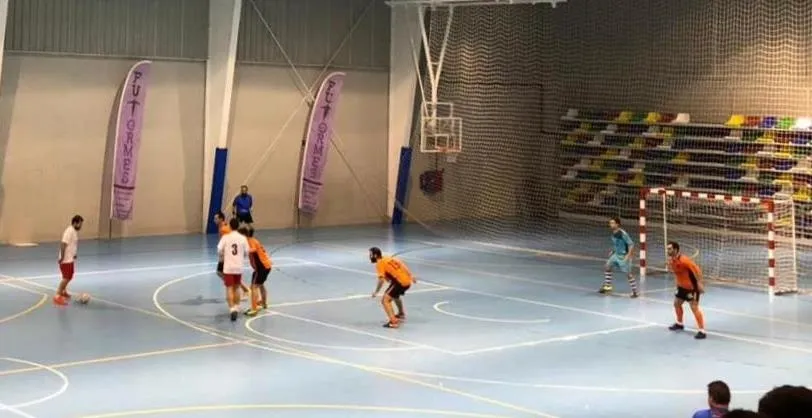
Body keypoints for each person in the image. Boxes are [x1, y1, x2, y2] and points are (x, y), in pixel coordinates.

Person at [666, 241, 707, 339]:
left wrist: (699, 284)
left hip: (692, 288)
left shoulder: (685, 260)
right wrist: (677, 285)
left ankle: (702, 331)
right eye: (667, 249)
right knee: (677, 304)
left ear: (675, 249)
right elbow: (679, 274)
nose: (668, 250)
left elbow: (697, 271)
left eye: (670, 249)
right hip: (681, 288)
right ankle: (679, 324)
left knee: (694, 308)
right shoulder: (672, 261)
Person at [369, 247, 414, 328]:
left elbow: (381, 280)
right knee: (395, 295)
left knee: (385, 300)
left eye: (371, 254)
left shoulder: (379, 263)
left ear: (375, 255)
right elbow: (402, 264)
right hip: (407, 281)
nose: (370, 256)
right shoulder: (388, 258)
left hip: (399, 282)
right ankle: (401, 314)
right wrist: (411, 275)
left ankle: (393, 322)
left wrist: (376, 292)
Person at [217, 218, 250, 321]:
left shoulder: (226, 238)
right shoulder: (242, 238)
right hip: (238, 266)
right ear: (238, 226)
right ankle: (236, 306)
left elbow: (219, 250)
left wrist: (223, 256)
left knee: (229, 288)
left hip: (228, 267)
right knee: (236, 288)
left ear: (230, 226)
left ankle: (231, 309)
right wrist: (242, 256)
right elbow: (247, 252)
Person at [599, 217, 638, 298]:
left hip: (623, 256)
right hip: (616, 255)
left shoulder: (623, 234)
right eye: (610, 223)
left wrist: (628, 256)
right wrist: (613, 251)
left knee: (628, 274)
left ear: (617, 224)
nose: (611, 224)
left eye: (612, 223)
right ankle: (608, 286)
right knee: (607, 266)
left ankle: (635, 292)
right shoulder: (614, 233)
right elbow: (617, 244)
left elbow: (631, 244)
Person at [214, 210, 250, 299]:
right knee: (220, 272)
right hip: (227, 254)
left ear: (221, 219)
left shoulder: (224, 229)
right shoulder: (223, 227)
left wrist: (223, 255)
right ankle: (243, 289)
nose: (214, 220)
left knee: (221, 272)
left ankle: (244, 289)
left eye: (216, 218)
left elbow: (230, 241)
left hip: (228, 255)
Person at [54, 215, 83, 306]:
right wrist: (62, 257)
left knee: (69, 276)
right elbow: (63, 244)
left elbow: (72, 244)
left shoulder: (74, 232)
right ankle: (57, 295)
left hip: (70, 258)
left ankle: (63, 292)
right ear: (75, 223)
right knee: (66, 278)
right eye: (79, 224)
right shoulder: (69, 231)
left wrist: (74, 254)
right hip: (66, 260)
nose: (81, 226)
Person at [244, 226, 271, 317]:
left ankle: (254, 308)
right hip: (265, 266)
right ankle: (263, 303)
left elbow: (253, 249)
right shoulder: (253, 240)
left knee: (254, 287)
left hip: (261, 267)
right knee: (261, 284)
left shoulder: (250, 241)